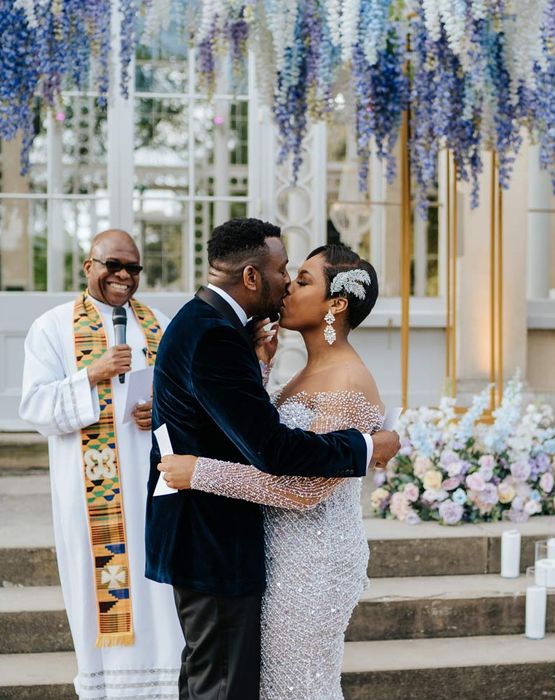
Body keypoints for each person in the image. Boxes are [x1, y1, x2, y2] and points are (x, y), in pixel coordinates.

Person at [145, 219, 400, 700]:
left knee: (293, 685)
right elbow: (263, 437)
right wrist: (261, 368)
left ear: (336, 305)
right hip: (264, 550)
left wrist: (199, 471)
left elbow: (299, 486)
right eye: (287, 272)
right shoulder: (276, 359)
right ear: (250, 277)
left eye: (302, 279)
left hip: (313, 560)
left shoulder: (348, 379)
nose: (286, 284)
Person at [19, 230, 183, 699]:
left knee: (159, 595)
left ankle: (167, 686)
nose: (124, 276)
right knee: (100, 589)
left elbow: (190, 398)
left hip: (155, 488)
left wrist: (164, 410)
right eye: (113, 265)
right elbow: (33, 406)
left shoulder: (162, 325)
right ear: (88, 265)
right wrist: (93, 373)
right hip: (93, 500)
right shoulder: (52, 327)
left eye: (133, 268)